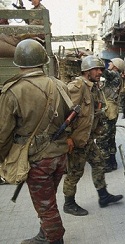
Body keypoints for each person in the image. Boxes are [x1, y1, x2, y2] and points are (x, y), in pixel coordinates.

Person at [0, 39, 69, 243]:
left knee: (46, 206)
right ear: (42, 61)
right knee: (47, 200)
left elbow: (2, 133)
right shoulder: (59, 84)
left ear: (18, 62)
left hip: (37, 159)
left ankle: (55, 238)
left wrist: (4, 159)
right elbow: (71, 117)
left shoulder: (13, 90)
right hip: (59, 155)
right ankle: (45, 234)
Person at [62, 55, 123, 216]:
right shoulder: (77, 87)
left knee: (99, 163)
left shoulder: (94, 88)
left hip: (87, 138)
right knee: (74, 173)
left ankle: (103, 196)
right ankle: (69, 203)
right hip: (76, 140)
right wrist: (67, 137)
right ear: (86, 71)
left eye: (101, 69)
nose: (99, 72)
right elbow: (64, 113)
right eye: (95, 69)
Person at [96, 58, 124, 172]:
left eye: (111, 63)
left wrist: (91, 58)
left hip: (108, 111)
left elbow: (104, 72)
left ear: (116, 66)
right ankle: (113, 162)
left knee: (102, 138)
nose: (109, 64)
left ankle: (106, 164)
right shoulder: (116, 77)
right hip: (112, 110)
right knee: (111, 137)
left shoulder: (114, 75)